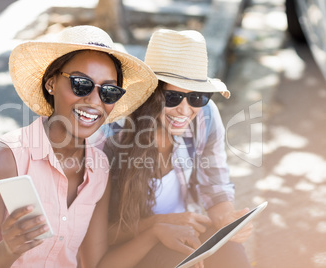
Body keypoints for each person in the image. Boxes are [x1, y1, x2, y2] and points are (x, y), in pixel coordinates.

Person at [0, 25, 157, 268]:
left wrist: (154, 234)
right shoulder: (2, 159)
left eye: (108, 91)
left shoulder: (99, 169)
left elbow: (95, 263)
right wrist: (8, 250)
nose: (94, 100)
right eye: (81, 84)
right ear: (51, 84)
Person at [92, 29, 254, 268]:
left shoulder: (205, 117)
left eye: (197, 97)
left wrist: (227, 220)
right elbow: (101, 235)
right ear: (149, 94)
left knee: (232, 252)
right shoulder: (111, 139)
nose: (186, 110)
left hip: (183, 226)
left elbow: (214, 186)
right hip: (132, 247)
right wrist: (158, 224)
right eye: (173, 98)